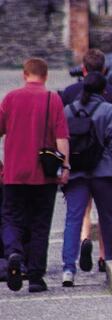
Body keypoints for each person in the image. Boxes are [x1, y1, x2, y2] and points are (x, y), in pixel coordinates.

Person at [0, 58, 70, 293]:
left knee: (11, 218)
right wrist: (65, 167)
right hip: (43, 174)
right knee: (40, 224)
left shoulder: (10, 98)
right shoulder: (53, 99)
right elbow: (61, 138)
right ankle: (36, 277)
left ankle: (13, 252)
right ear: (46, 75)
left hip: (13, 173)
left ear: (24, 74)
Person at [61, 48, 112, 273]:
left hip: (76, 169)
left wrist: (63, 167)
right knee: (107, 217)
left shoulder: (68, 105)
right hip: (103, 170)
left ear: (83, 72)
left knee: (73, 218)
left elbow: (61, 138)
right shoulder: (110, 104)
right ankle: (109, 259)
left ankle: (68, 267)